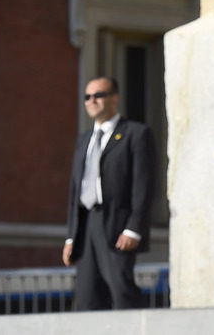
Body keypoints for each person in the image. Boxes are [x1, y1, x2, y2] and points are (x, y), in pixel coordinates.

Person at [63, 77, 155, 310]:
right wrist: (71, 236)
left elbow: (143, 185)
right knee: (86, 297)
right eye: (87, 97)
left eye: (99, 95)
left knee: (121, 290)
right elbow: (77, 189)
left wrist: (134, 228)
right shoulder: (84, 140)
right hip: (86, 226)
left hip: (117, 224)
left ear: (114, 98)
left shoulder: (135, 133)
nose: (92, 100)